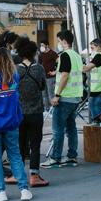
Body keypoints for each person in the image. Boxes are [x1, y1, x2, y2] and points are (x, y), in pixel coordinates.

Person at [0, 47, 33, 201]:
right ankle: (24, 190)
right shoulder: (14, 76)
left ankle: (0, 191)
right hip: (12, 122)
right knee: (15, 155)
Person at [41, 30, 83, 168]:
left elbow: (65, 75)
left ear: (64, 41)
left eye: (59, 41)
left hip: (64, 97)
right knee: (71, 128)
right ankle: (71, 156)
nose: (58, 44)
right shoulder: (76, 55)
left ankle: (55, 158)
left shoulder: (65, 55)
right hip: (75, 97)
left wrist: (57, 95)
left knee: (58, 129)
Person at [16, 37, 49, 187]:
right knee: (35, 144)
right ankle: (34, 176)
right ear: (33, 53)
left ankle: (18, 174)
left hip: (19, 112)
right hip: (36, 112)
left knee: (20, 144)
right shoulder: (39, 68)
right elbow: (42, 86)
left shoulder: (15, 69)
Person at [83, 39, 101, 124]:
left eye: (92, 48)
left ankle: (99, 137)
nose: (92, 50)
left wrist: (77, 64)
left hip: (97, 92)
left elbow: (86, 69)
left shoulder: (99, 56)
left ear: (98, 47)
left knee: (97, 121)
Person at [39, 40, 58, 109]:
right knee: (44, 95)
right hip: (43, 77)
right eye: (40, 45)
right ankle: (47, 109)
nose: (41, 47)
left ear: (47, 46)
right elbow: (39, 64)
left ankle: (53, 109)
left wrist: (55, 71)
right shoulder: (41, 54)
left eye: (42, 45)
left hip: (51, 77)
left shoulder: (53, 53)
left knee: (51, 94)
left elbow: (59, 62)